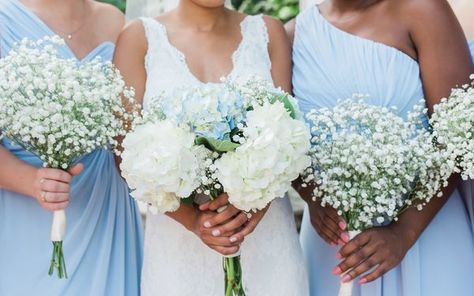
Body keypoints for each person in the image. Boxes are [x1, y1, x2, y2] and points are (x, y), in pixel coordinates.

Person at [113, 0, 309, 295]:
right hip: (177, 249)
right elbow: (124, 154)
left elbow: (291, 138)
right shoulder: (139, 38)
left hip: (266, 240)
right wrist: (194, 221)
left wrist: (254, 208)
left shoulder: (269, 33)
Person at [287, 0, 474, 295]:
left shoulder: (424, 11)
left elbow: (456, 136)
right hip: (336, 245)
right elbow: (284, 141)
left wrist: (403, 232)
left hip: (425, 234)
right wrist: (312, 197)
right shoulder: (292, 36)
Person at [0, 1, 143, 295]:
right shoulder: (4, 19)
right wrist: (31, 181)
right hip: (27, 218)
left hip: (106, 211)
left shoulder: (115, 21)